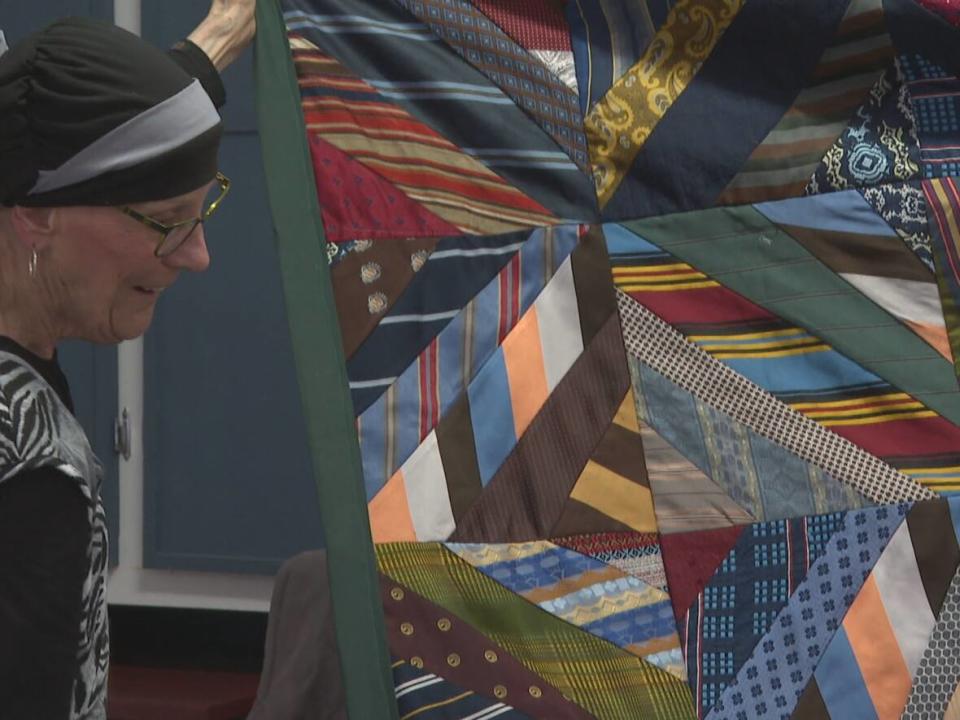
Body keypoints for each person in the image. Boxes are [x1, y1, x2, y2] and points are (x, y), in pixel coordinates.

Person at [0, 3, 255, 718]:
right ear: (35, 213)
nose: (197, 255)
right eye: (166, 220)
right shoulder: (32, 481)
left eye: (201, 212)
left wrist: (220, 37)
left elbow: (60, 129)